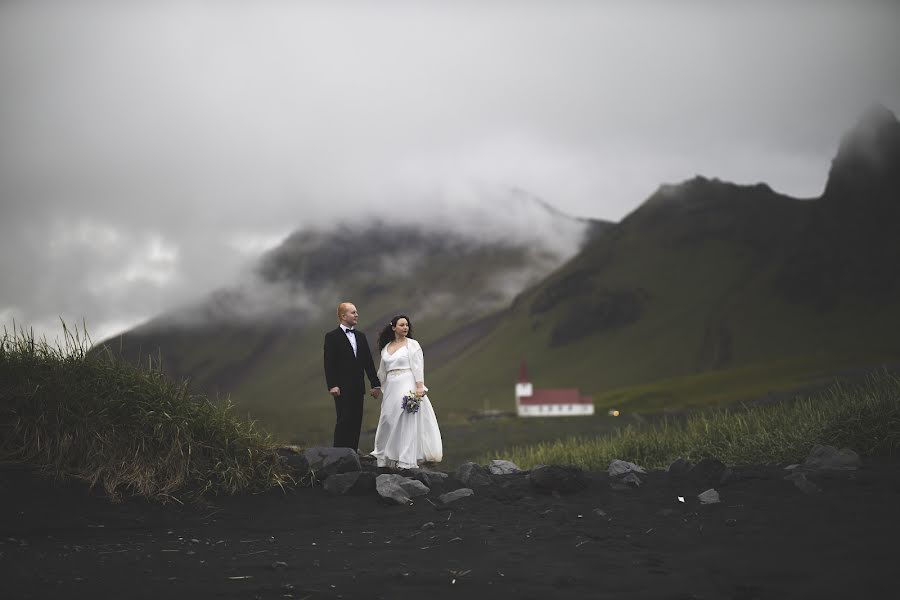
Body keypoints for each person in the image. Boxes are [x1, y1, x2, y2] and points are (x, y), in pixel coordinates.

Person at [370, 315, 442, 470]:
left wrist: (419, 387)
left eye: (407, 325)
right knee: (388, 418)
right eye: (402, 325)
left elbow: (418, 366)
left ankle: (405, 459)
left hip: (407, 381)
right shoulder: (386, 347)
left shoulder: (412, 345)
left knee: (405, 418)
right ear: (394, 327)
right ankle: (385, 457)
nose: (405, 327)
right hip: (391, 386)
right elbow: (382, 371)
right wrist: (376, 386)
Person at [323, 302, 381, 451]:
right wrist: (332, 385)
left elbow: (368, 361)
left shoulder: (360, 336)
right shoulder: (332, 337)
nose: (357, 315)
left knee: (356, 422)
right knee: (344, 420)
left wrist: (375, 384)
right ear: (343, 316)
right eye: (353, 312)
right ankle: (338, 455)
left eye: (356, 312)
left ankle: (352, 453)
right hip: (341, 388)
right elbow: (329, 363)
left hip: (358, 387)